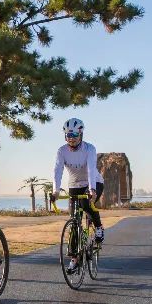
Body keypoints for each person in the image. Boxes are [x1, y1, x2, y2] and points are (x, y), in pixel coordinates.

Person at [54, 117, 105, 273]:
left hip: (93, 183)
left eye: (74, 135)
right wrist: (56, 190)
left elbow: (90, 168)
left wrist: (92, 189)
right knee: (74, 221)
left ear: (81, 134)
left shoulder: (89, 148)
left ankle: (98, 228)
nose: (71, 139)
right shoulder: (61, 151)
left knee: (86, 206)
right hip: (74, 185)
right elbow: (57, 170)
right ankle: (74, 259)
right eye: (68, 136)